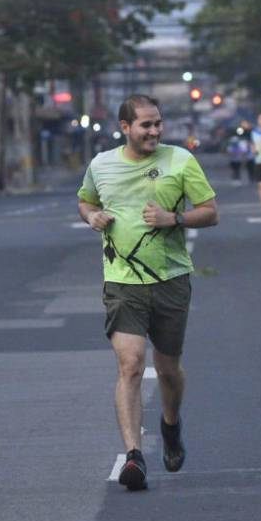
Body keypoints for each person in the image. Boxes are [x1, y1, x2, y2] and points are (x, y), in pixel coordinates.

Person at [77, 94, 220, 492]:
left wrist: (173, 218)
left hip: (171, 280)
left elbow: (211, 211)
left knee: (169, 370)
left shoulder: (180, 161)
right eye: (146, 125)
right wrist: (93, 216)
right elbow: (85, 201)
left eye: (158, 124)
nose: (155, 131)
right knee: (132, 366)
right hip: (122, 282)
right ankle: (134, 456)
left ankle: (170, 425)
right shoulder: (101, 165)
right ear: (125, 127)